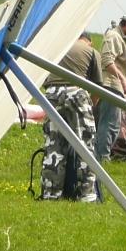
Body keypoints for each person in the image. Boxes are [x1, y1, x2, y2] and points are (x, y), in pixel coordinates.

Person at [40, 33, 103, 202]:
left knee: (54, 147)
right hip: (77, 93)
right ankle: (87, 194)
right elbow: (98, 87)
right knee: (85, 145)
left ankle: (51, 193)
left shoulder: (59, 47)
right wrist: (91, 106)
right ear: (89, 42)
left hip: (52, 94)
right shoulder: (91, 52)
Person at [94, 11, 126, 162]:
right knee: (110, 124)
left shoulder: (118, 37)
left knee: (111, 124)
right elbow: (107, 60)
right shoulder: (114, 36)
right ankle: (102, 158)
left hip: (114, 86)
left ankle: (100, 155)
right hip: (111, 85)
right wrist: (122, 80)